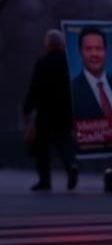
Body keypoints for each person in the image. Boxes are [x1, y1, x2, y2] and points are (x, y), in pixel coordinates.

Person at [23, 29, 78, 191]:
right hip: (65, 111)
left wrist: (28, 107)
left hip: (45, 112)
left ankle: (45, 181)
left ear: (47, 45)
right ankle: (71, 166)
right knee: (63, 143)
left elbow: (34, 87)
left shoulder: (42, 63)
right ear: (62, 45)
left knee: (42, 147)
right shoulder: (69, 63)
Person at [71, 25, 112, 122]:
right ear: (80, 52)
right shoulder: (72, 90)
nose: (94, 54)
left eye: (99, 48)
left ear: (105, 51)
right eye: (88, 49)